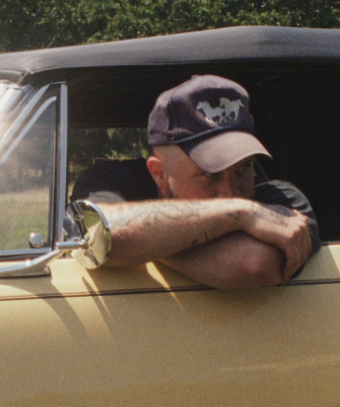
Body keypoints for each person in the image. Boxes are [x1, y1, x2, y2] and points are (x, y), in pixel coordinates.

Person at [70, 75, 320, 290]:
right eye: (210, 174)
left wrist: (142, 243)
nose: (230, 193)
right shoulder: (106, 181)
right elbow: (100, 234)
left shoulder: (284, 200)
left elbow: (254, 264)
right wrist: (242, 213)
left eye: (243, 168)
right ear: (159, 173)